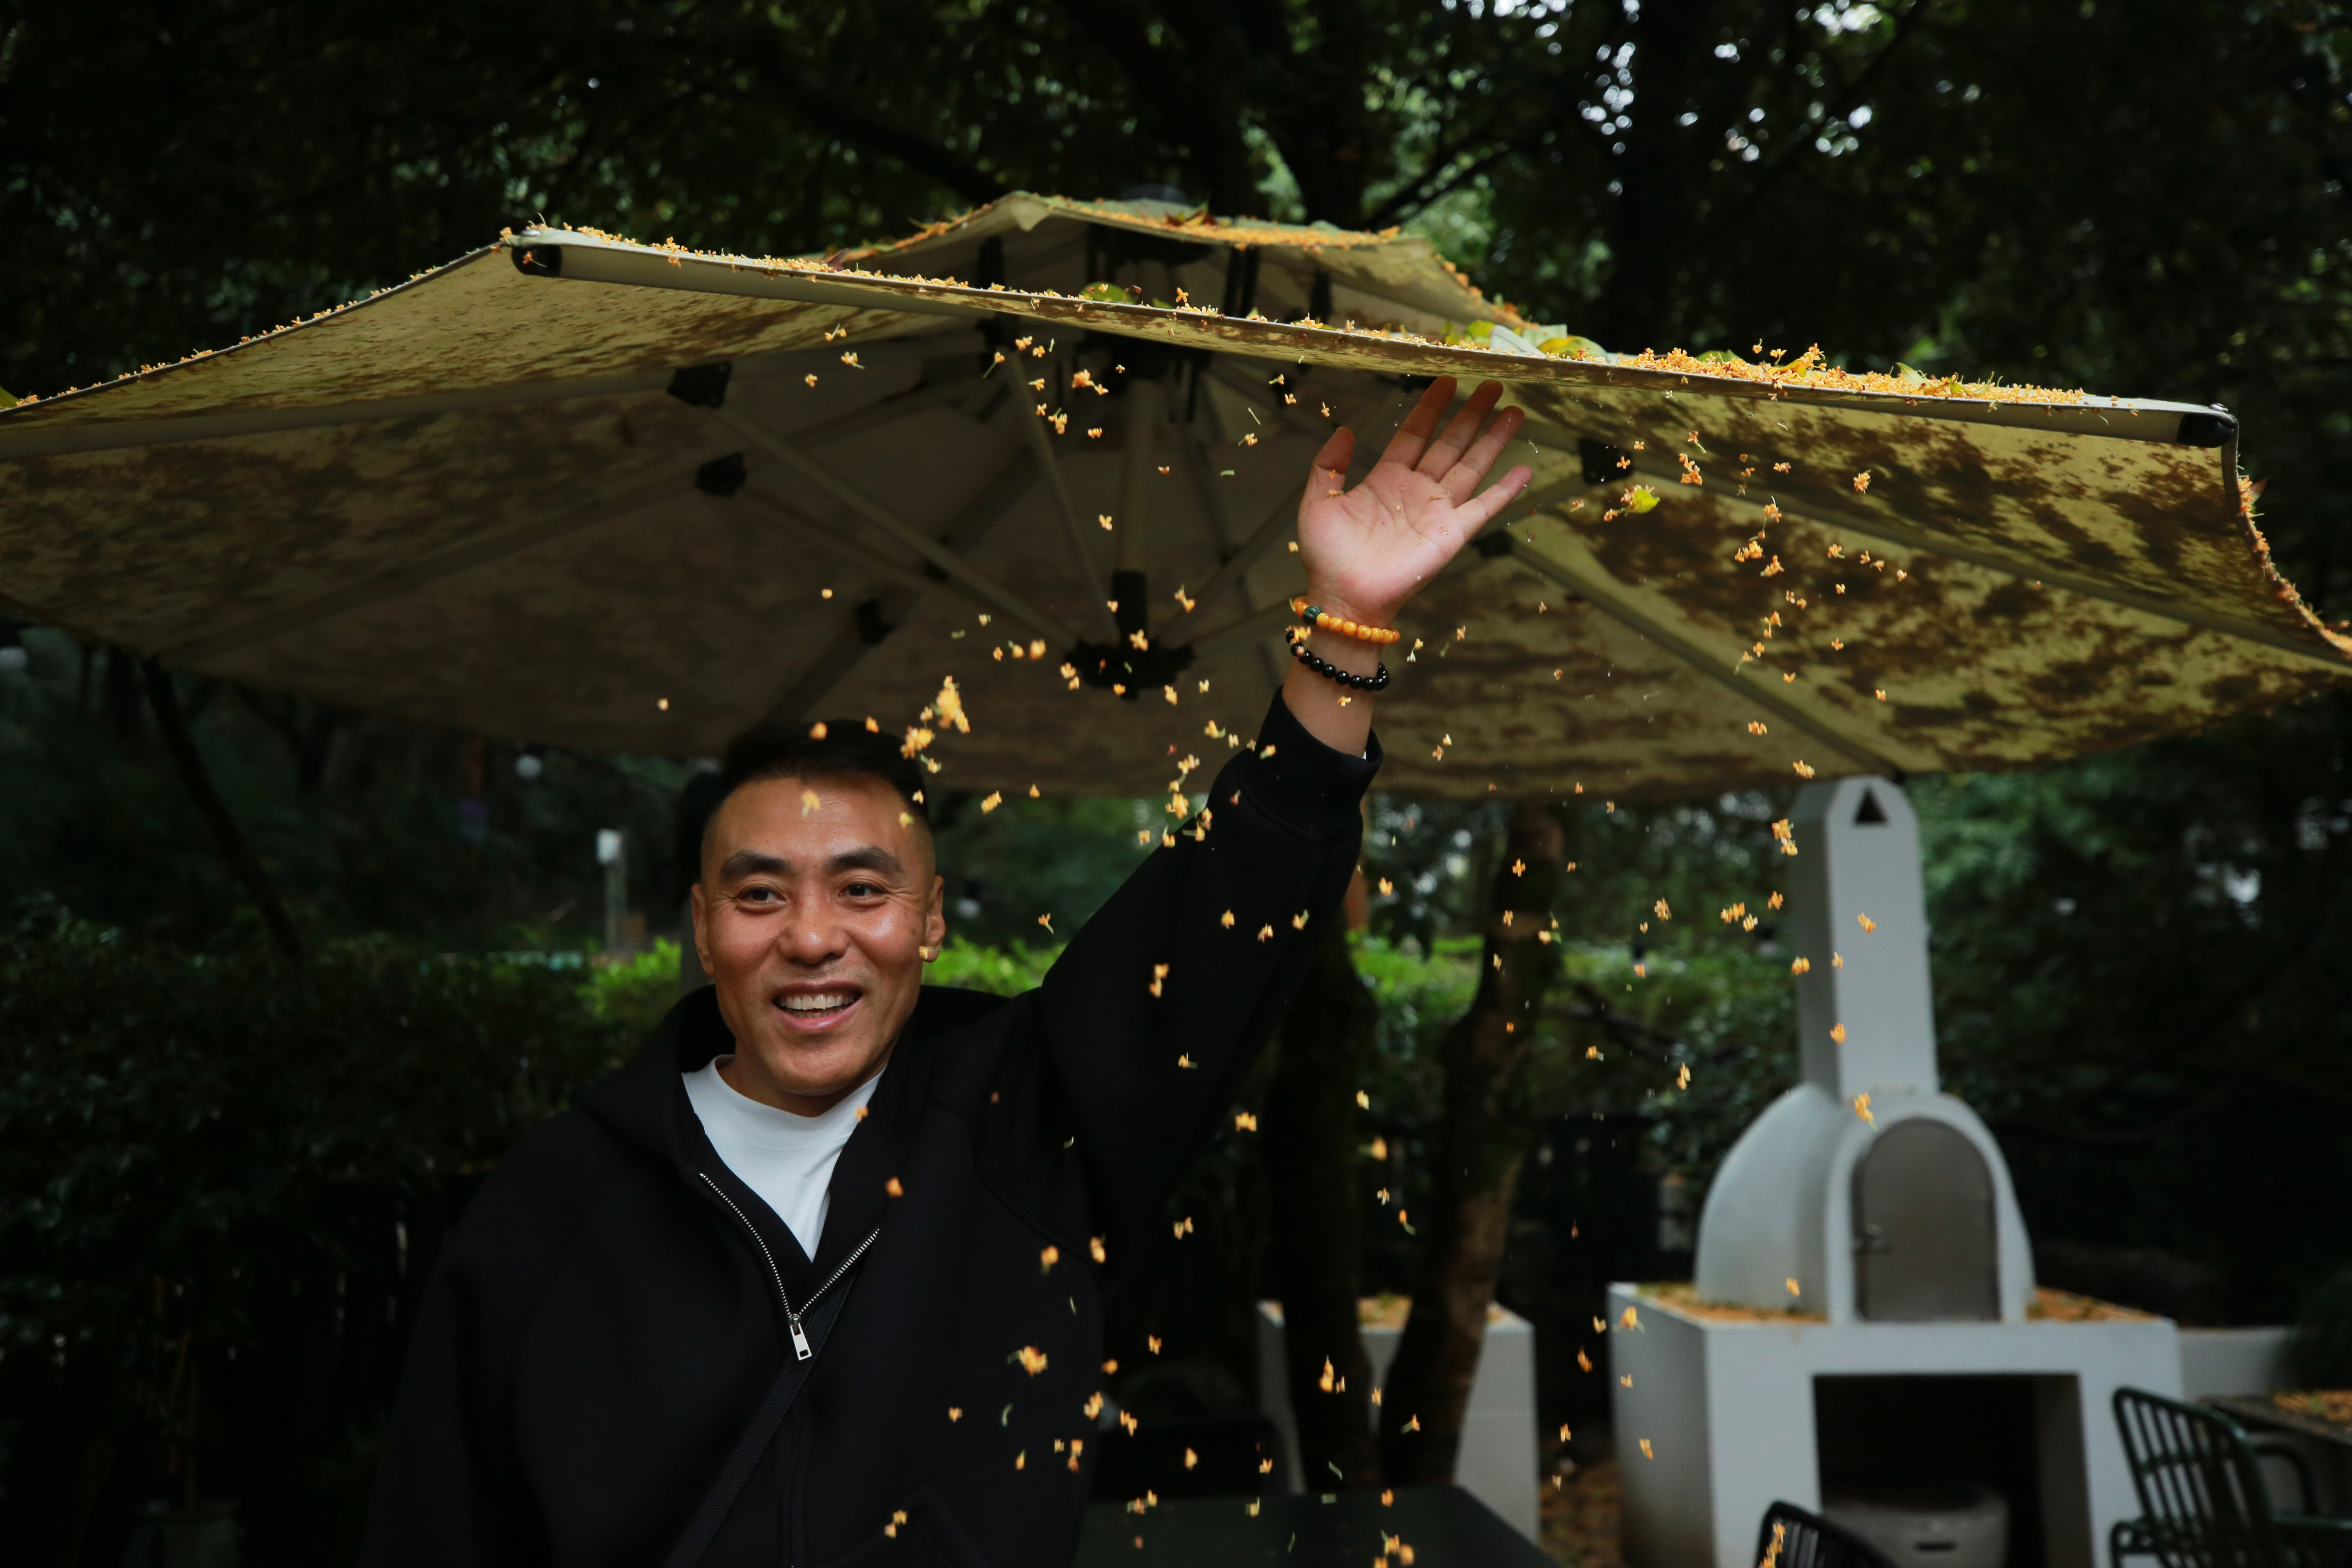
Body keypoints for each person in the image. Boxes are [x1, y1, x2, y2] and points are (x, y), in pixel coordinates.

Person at [360, 377, 1531, 1568]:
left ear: (926, 924)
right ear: (704, 931)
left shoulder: (1022, 1126)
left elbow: (1221, 921)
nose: (812, 937)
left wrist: (1346, 629)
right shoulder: (555, 1204)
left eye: (863, 890)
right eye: (761, 895)